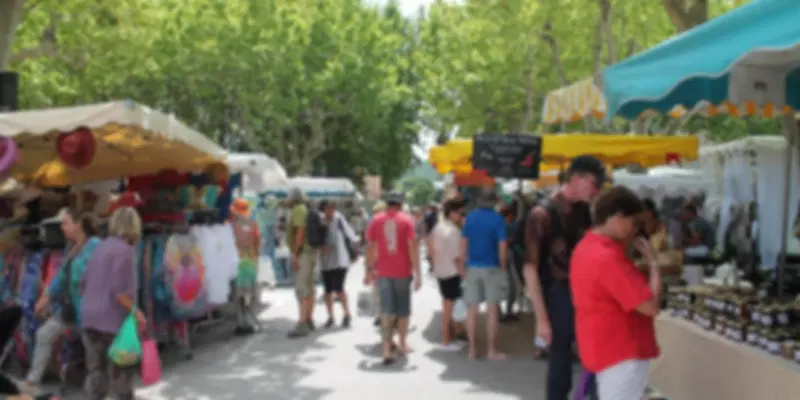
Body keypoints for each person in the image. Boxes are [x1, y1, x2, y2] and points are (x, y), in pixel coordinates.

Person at [523, 155, 605, 400]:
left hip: (587, 293)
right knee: (560, 361)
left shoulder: (588, 212)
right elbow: (530, 268)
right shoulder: (541, 215)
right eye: (595, 183)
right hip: (558, 293)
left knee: (596, 354)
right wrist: (541, 318)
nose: (597, 189)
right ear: (577, 179)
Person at [571, 187, 661, 400]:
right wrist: (654, 264)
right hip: (621, 350)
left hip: (602, 347)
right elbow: (650, 306)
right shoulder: (608, 257)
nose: (635, 230)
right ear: (619, 217)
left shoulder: (586, 247)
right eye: (634, 222)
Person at [21, 209, 100, 392]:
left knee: (93, 352)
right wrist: (45, 298)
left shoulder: (95, 245)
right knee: (44, 334)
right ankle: (32, 380)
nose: (62, 228)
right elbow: (61, 276)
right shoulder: (70, 247)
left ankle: (97, 388)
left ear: (78, 224)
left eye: (65, 223)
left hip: (89, 310)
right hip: (69, 308)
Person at [80, 207, 145, 400]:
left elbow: (82, 283)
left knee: (96, 371)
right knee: (121, 371)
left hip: (89, 316)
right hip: (112, 320)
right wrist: (136, 312)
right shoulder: (125, 252)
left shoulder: (100, 246)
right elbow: (120, 292)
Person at [365, 192, 421, 364]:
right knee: (403, 311)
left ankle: (386, 349)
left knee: (386, 310)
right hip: (403, 272)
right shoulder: (407, 221)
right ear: (401, 203)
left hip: (383, 272)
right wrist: (418, 272)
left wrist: (369, 269)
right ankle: (403, 343)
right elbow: (413, 247)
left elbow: (370, 247)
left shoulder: (376, 220)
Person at [460, 189, 508, 360]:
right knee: (492, 309)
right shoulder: (498, 219)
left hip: (472, 267)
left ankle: (472, 350)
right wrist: (503, 265)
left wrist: (463, 266)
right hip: (492, 267)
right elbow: (502, 245)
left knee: (471, 310)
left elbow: (463, 245)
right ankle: (491, 350)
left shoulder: (469, 219)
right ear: (493, 203)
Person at [428, 198, 467, 351]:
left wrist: (434, 262)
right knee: (448, 308)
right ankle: (445, 340)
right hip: (452, 272)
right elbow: (457, 257)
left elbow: (430, 245)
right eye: (460, 213)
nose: (462, 217)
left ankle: (448, 337)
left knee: (446, 306)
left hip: (440, 270)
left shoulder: (438, 227)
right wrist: (462, 273)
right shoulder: (453, 231)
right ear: (452, 213)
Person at [318, 200, 359, 328]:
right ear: (323, 209)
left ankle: (347, 314)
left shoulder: (338, 218)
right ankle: (330, 316)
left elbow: (350, 233)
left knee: (339, 288)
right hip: (325, 260)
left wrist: (355, 248)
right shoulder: (320, 220)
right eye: (328, 207)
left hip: (341, 260)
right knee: (327, 290)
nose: (331, 210)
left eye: (333, 207)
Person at [286, 188, 318, 338]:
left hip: (303, 253)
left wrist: (294, 253)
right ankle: (309, 318)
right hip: (309, 252)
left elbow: (300, 230)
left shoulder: (298, 210)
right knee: (309, 287)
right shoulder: (305, 208)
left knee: (302, 288)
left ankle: (302, 323)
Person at [230, 198, 261, 335]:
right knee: (250, 293)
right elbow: (257, 242)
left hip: (237, 262)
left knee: (238, 295)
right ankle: (251, 321)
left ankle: (241, 322)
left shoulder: (231, 224)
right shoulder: (253, 224)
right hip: (250, 262)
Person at [368, 201, 387, 327]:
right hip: (378, 264)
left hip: (384, 264)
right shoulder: (373, 225)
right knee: (377, 291)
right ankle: (380, 315)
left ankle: (384, 316)